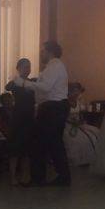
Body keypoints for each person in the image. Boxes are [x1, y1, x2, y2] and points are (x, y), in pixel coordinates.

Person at [10, 40, 71, 186]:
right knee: (51, 143)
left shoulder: (54, 66)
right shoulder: (54, 66)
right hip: (54, 107)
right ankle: (58, 176)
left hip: (53, 108)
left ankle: (40, 178)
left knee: (41, 143)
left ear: (50, 51)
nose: (41, 53)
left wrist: (23, 83)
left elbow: (45, 87)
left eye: (43, 51)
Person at [4, 58, 36, 186]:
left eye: (29, 67)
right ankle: (12, 176)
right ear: (18, 68)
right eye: (24, 67)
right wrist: (18, 80)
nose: (27, 69)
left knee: (27, 149)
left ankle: (24, 175)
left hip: (29, 118)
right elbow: (7, 87)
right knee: (15, 148)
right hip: (18, 118)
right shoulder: (15, 83)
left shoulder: (33, 82)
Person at [63, 82, 100, 167]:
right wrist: (72, 122)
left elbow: (81, 115)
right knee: (78, 139)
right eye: (74, 91)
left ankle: (92, 157)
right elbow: (63, 117)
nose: (76, 94)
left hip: (79, 124)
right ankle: (80, 159)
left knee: (96, 132)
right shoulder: (65, 103)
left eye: (78, 92)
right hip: (68, 126)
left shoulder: (79, 102)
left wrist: (81, 121)